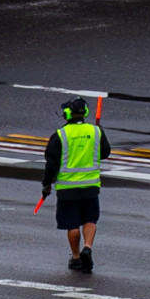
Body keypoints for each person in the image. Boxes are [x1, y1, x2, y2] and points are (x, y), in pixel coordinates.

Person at [41, 96, 112, 272]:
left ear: (67, 114)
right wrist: (100, 133)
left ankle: (76, 257)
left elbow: (51, 163)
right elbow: (105, 153)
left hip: (67, 189)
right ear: (85, 113)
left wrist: (46, 185)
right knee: (90, 219)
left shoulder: (60, 135)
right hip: (91, 187)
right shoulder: (96, 132)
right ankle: (87, 247)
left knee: (72, 224)